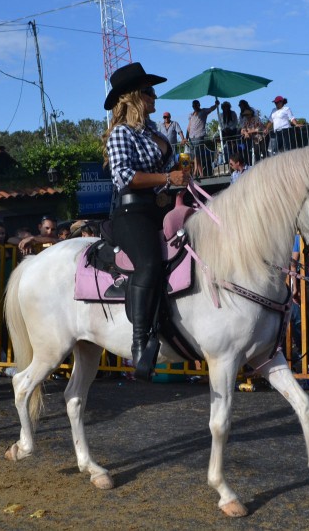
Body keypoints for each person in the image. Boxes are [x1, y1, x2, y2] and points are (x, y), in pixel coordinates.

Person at [103, 62, 190, 379]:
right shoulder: (120, 135)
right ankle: (140, 343)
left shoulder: (155, 132)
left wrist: (182, 177)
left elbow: (167, 176)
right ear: (133, 97)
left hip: (162, 207)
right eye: (149, 92)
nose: (155, 97)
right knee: (150, 263)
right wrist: (168, 175)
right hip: (132, 212)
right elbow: (124, 176)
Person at [185, 98, 218, 177]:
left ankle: (195, 171)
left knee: (197, 154)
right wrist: (186, 137)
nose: (195, 107)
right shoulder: (191, 115)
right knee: (196, 156)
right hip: (191, 137)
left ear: (198, 105)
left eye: (196, 105)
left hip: (199, 135)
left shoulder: (203, 111)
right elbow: (189, 127)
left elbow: (211, 109)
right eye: (193, 105)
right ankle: (201, 174)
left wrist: (216, 105)